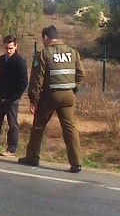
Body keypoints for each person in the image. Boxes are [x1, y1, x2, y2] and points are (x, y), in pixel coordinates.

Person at [18, 25, 85, 173]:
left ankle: (32, 157)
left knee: (38, 127)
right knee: (70, 129)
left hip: (50, 95)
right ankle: (76, 163)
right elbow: (80, 74)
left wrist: (33, 99)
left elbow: (36, 78)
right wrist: (72, 86)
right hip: (69, 95)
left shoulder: (43, 53)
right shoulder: (73, 52)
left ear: (45, 37)